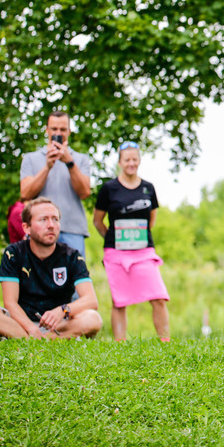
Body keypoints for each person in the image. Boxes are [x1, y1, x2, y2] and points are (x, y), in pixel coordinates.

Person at [0, 197, 102, 339]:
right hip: (21, 322)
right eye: (43, 220)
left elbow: (91, 300)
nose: (51, 225)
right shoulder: (13, 253)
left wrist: (63, 310)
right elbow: (10, 302)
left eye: (55, 219)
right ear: (26, 228)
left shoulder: (72, 256)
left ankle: (37, 339)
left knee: (93, 319)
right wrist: (31, 328)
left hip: (58, 325)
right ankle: (36, 339)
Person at [92, 141, 170, 341]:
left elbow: (151, 220)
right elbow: (97, 220)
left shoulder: (148, 188)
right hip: (116, 253)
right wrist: (113, 238)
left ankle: (165, 342)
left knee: (159, 296)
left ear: (140, 161)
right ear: (120, 162)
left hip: (144, 251)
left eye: (135, 159)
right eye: (127, 160)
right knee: (119, 301)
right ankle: (120, 344)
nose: (131, 163)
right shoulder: (109, 188)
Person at [20, 111, 92, 255]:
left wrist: (70, 163)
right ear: (47, 130)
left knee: (75, 269)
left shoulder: (81, 159)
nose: (58, 133)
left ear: (69, 131)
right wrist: (47, 167)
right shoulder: (30, 159)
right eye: (54, 129)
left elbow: (85, 192)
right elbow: (25, 193)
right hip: (40, 231)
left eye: (63, 129)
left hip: (72, 231)